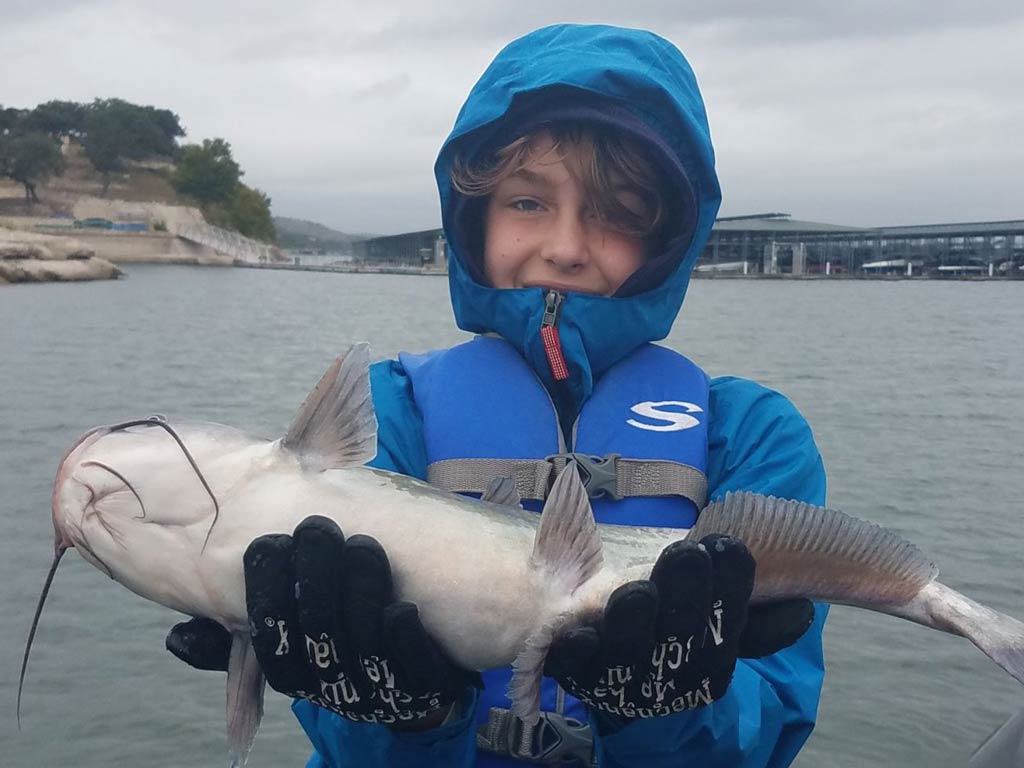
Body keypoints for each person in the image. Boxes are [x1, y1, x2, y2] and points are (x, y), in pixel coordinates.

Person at [168, 23, 828, 767]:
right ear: (472, 216)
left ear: (668, 240)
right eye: (526, 203)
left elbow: (772, 715)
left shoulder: (753, 436)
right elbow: (344, 738)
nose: (567, 246)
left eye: (618, 213)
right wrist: (404, 717)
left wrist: (663, 713)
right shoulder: (390, 411)